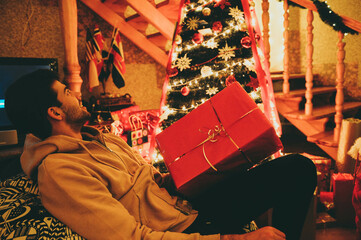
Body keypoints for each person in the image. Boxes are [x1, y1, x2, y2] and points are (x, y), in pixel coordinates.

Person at [5, 69, 317, 240]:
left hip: (184, 202)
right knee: (296, 171)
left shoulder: (99, 138)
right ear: (55, 111)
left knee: (296, 168)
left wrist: (203, 165)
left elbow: (151, 180)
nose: (78, 90)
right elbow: (129, 238)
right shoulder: (60, 172)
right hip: (182, 228)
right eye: (67, 91)